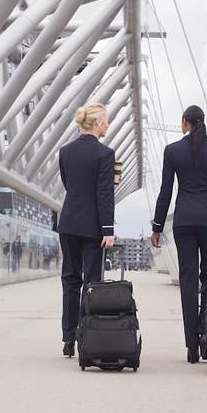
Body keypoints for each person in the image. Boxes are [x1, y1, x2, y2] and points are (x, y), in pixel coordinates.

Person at [150, 105, 207, 364]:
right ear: (203, 122)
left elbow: (165, 192)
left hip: (184, 221)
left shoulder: (172, 151)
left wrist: (157, 227)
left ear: (185, 123)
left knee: (187, 282)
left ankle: (191, 345)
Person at [57, 102, 116, 358]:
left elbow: (68, 184)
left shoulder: (65, 151)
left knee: (70, 279)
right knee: (91, 282)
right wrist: (108, 229)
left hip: (69, 222)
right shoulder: (105, 154)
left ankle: (68, 338)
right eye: (106, 120)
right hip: (93, 227)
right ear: (96, 122)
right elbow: (104, 194)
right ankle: (86, 334)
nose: (108, 124)